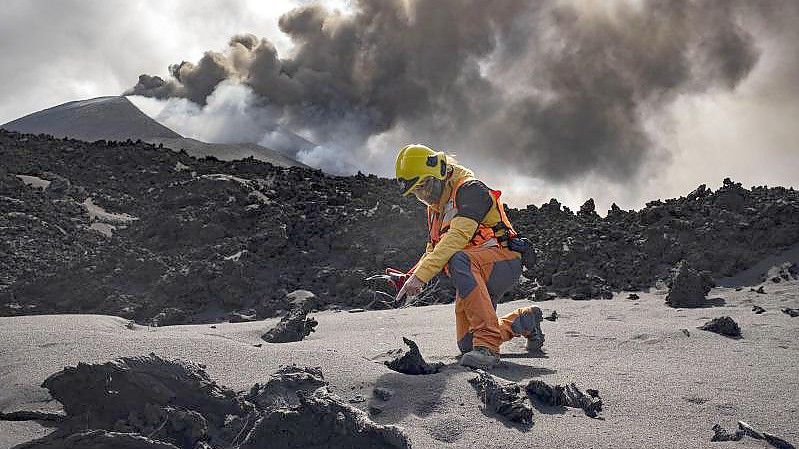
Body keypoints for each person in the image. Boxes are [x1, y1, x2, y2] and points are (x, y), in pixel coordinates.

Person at [391, 144, 545, 369]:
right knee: (467, 344)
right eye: (417, 192)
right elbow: (433, 248)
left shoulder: (470, 189)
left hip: (503, 262)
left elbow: (457, 237)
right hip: (474, 271)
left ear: (440, 172)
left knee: (458, 258)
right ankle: (525, 320)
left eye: (424, 186)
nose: (423, 195)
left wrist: (422, 276)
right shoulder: (436, 207)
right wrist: (410, 277)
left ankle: (488, 349)